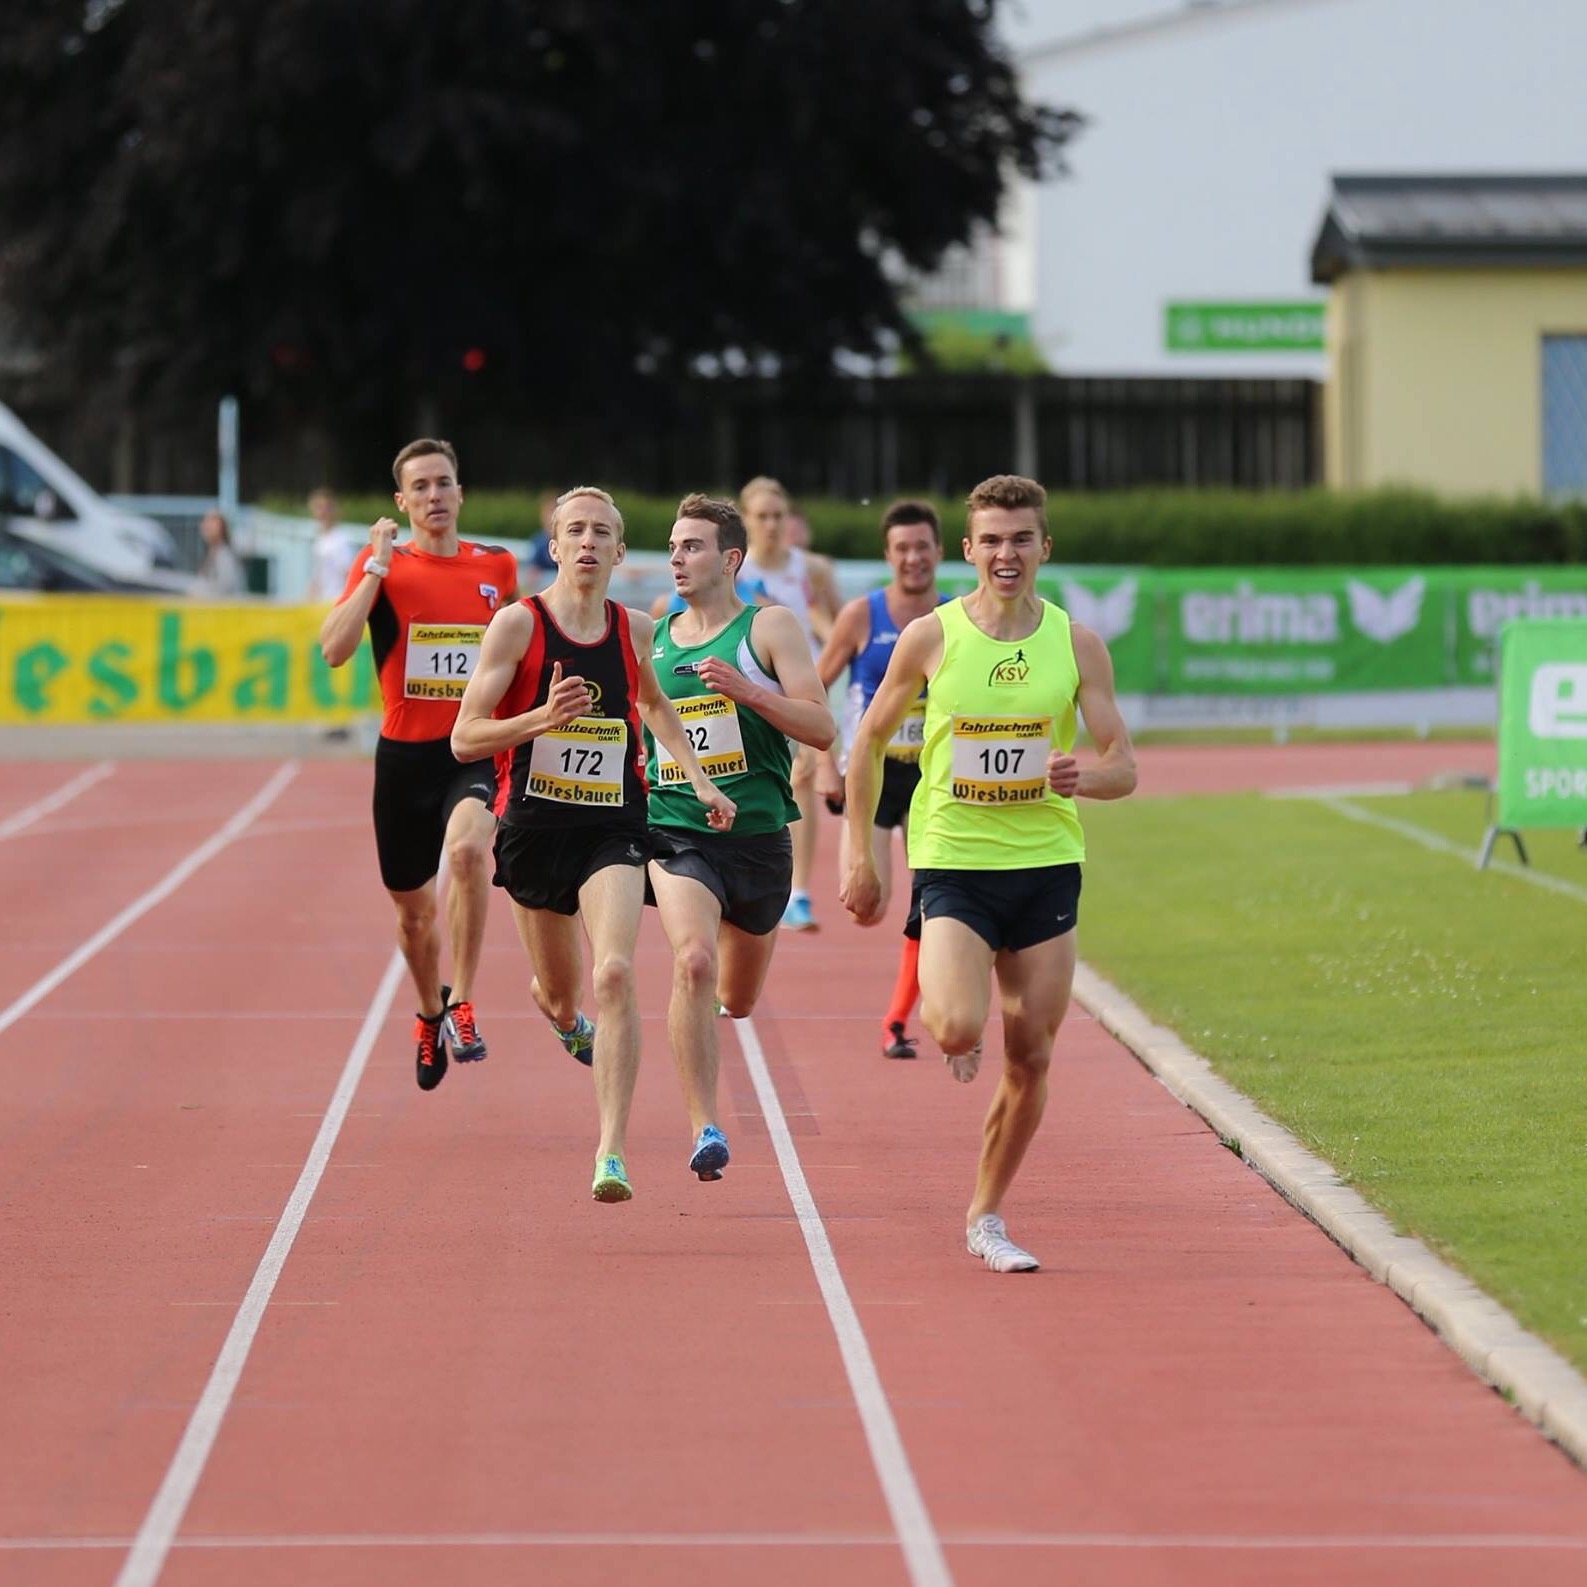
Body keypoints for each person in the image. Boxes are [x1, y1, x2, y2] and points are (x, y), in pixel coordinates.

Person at [840, 474, 1137, 1274]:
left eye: (1021, 539)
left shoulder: (1077, 644)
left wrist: (1084, 775)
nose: (1007, 554)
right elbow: (867, 741)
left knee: (1031, 1055)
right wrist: (857, 850)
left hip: (1045, 864)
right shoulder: (931, 637)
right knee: (957, 1026)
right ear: (968, 551)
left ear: (1045, 546)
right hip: (955, 860)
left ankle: (985, 1214)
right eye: (992, 541)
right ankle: (953, 1025)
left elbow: (1123, 766)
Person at [451, 486, 736, 1204]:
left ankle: (610, 1150)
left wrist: (698, 780)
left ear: (617, 550)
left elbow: (654, 704)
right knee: (559, 992)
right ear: (553, 546)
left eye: (600, 532)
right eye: (573, 530)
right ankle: (562, 1016)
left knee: (614, 972)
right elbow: (464, 736)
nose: (586, 542)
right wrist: (538, 719)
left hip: (611, 826)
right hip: (532, 834)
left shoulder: (636, 629)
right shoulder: (516, 627)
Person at [645, 494, 836, 1183]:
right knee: (692, 961)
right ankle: (704, 1124)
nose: (675, 558)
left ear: (729, 558)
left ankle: (720, 1015)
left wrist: (746, 690)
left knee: (739, 995)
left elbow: (819, 727)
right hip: (675, 829)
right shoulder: (654, 638)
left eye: (691, 546)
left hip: (758, 838)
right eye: (671, 546)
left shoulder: (770, 627)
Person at [319, 438, 519, 1093]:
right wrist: (374, 571)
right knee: (412, 916)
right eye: (421, 487)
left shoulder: (498, 566)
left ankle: (461, 999)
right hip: (404, 759)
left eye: (444, 483)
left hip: (472, 750)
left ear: (461, 493)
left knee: (466, 853)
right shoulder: (385, 567)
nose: (435, 496)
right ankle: (428, 1009)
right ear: (403, 502)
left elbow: (521, 657)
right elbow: (334, 650)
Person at [814, 500, 947, 1059]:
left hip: (933, 780)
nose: (913, 558)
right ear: (888, 555)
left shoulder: (955, 617)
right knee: (867, 908)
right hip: (870, 776)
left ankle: (897, 1021)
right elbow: (811, 687)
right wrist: (825, 765)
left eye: (922, 547)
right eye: (902, 548)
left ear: (940, 552)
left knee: (931, 900)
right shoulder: (862, 616)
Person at [738, 476, 828, 931]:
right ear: (746, 520)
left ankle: (801, 892)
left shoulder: (811, 569)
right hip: (750, 700)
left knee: (804, 781)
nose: (772, 524)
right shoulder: (734, 568)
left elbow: (835, 631)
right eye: (762, 516)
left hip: (800, 697)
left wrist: (820, 677)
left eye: (778, 515)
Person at [305, 487, 358, 601]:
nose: (322, 512)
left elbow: (349, 573)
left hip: (336, 601)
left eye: (326, 508)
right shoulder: (321, 539)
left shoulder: (341, 540)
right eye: (319, 507)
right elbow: (319, 574)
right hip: (323, 601)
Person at [193, 509, 246, 596]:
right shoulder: (212, 553)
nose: (206, 526)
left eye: (212, 522)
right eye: (205, 521)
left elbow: (225, 589)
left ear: (222, 527)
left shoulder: (225, 555)